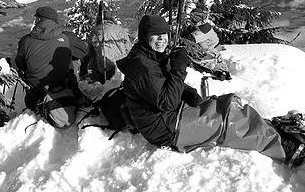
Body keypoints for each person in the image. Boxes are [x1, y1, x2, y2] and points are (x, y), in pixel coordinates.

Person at [117, 14, 305, 167]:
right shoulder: (140, 65)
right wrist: (178, 67)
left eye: (164, 34)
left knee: (227, 104)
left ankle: (272, 128)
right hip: (165, 128)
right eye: (155, 34)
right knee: (227, 121)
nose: (161, 39)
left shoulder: (150, 56)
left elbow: (162, 84)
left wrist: (186, 90)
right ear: (144, 36)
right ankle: (284, 147)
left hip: (169, 116)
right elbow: (167, 101)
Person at [15, 6, 86, 110]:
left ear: (39, 20)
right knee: (72, 55)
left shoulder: (25, 41)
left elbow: (20, 64)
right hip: (64, 87)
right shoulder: (67, 38)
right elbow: (83, 52)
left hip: (37, 94)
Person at [86, 10, 132, 84]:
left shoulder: (95, 31)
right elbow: (129, 49)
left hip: (104, 67)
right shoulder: (120, 29)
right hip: (121, 66)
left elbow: (90, 52)